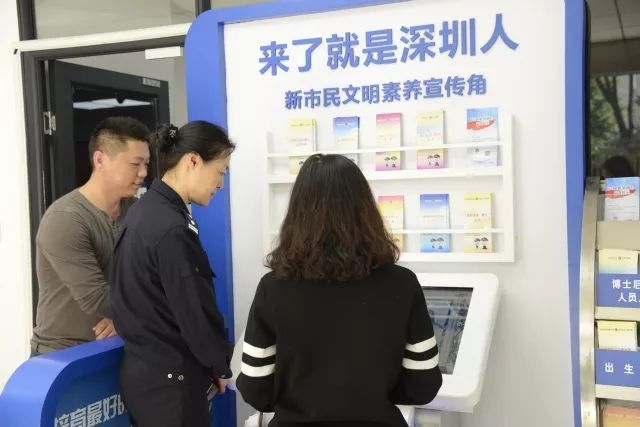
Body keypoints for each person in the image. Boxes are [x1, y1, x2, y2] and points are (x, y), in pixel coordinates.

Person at [237, 154, 443, 427]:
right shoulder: (402, 284)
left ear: (297, 213)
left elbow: (255, 388)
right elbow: (423, 384)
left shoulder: (273, 288)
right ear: (365, 210)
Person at [109, 121, 235, 427]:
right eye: (220, 172)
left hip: (148, 378)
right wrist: (219, 364)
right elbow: (193, 309)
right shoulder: (171, 228)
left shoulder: (144, 212)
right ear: (193, 161)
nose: (221, 184)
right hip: (171, 387)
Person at [31, 116, 151, 356]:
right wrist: (143, 310)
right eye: (135, 164)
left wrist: (123, 317)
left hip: (118, 345)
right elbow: (96, 299)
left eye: (146, 163)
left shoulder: (138, 212)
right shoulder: (66, 218)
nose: (143, 173)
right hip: (63, 355)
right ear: (100, 159)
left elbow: (158, 276)